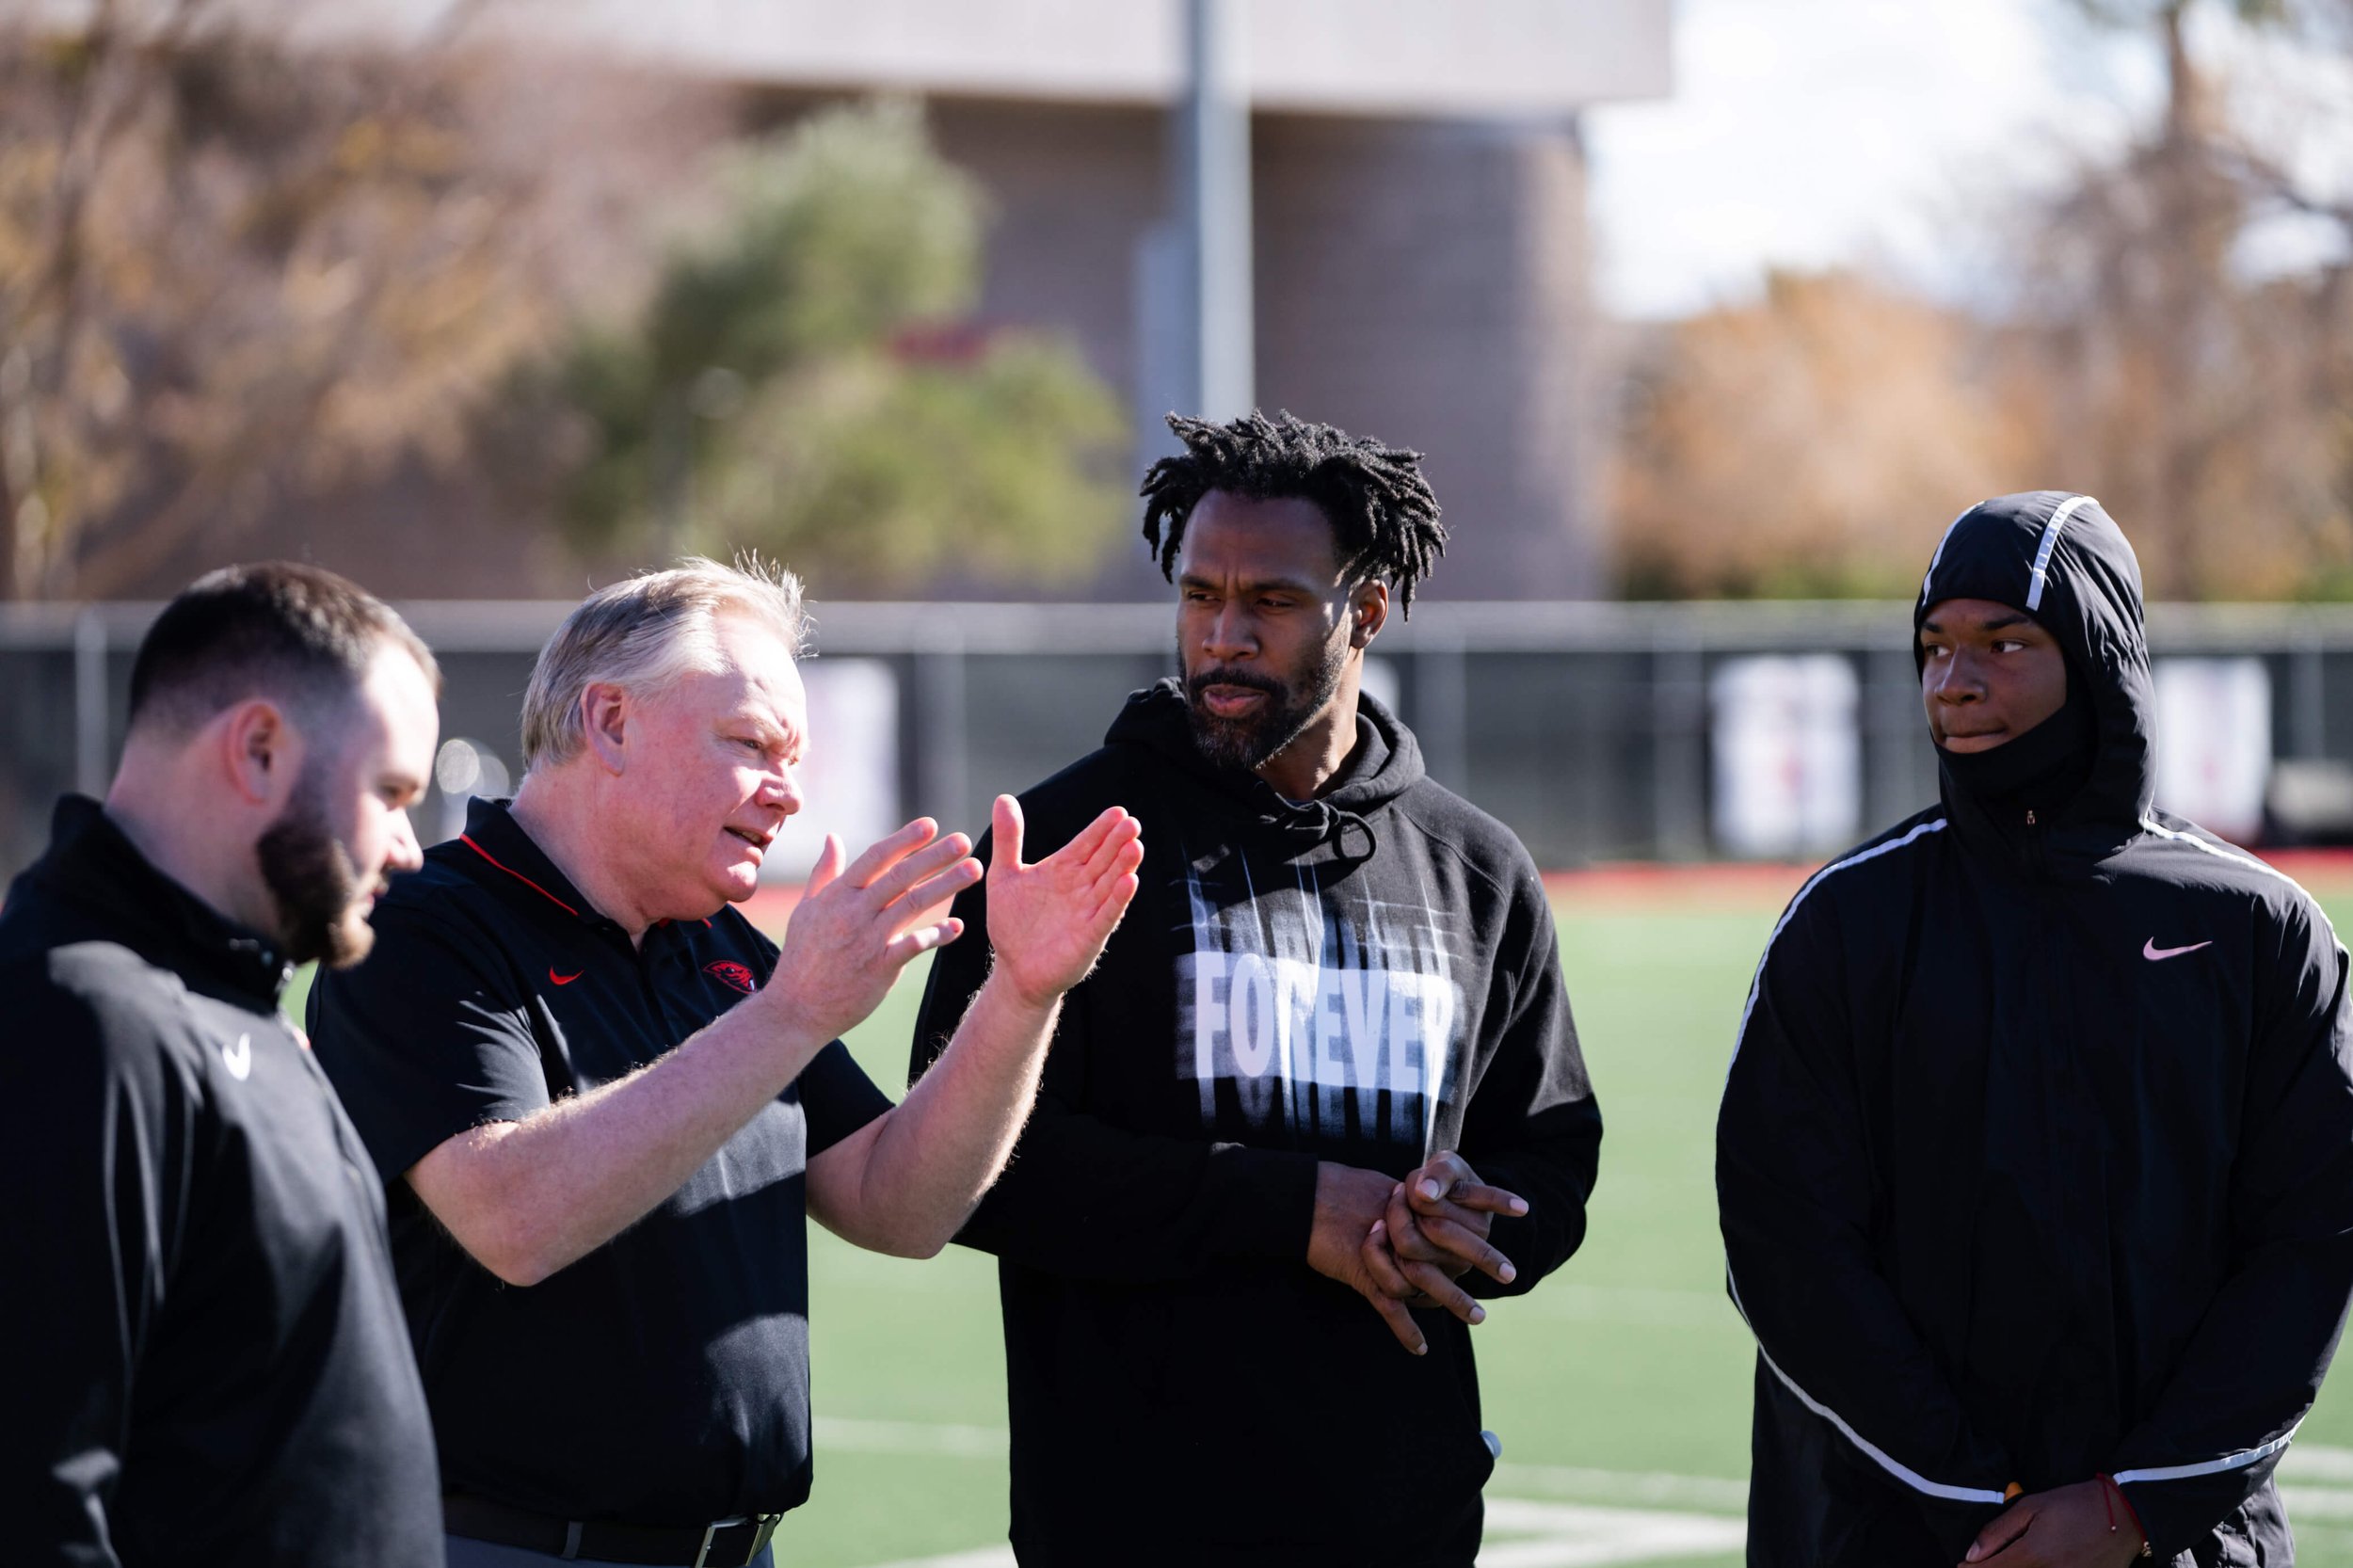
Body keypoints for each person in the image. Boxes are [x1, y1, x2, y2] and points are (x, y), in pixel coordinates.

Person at [307, 556, 1141, 1568]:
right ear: (610, 723)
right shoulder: (426, 927)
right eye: (753, 745)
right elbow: (512, 1217)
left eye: (796, 756)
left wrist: (1021, 992)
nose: (789, 793)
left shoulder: (719, 948)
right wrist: (792, 1013)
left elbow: (901, 1204)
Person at [907, 409, 1603, 1568]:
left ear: (1364, 610)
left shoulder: (1477, 871)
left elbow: (1549, 1158)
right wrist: (1287, 1208)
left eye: (1271, 602)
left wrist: (1454, 1220)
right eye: (1199, 596)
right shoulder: (1065, 842)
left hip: (1402, 1521)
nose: (1223, 635)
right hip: (1132, 1525)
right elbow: (968, 1172)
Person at [1718, 491, 2353, 1567]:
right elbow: (1786, 1246)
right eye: (1932, 645)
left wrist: (2131, 1507)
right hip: (1890, 1531)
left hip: (2181, 1541)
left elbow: (2310, 1241)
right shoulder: (1846, 923)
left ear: (2098, 655)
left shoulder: (2256, 927)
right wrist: (1982, 1504)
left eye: (2002, 643)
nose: (1952, 682)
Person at [0, 563, 446, 1566]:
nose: (411, 847)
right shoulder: (82, 1020)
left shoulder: (222, 999)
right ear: (256, 748)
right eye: (390, 792)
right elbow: (38, 1502)